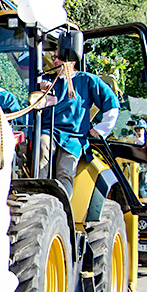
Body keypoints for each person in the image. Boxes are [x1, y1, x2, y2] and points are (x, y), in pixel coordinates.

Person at [40, 47, 119, 197]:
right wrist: (41, 90)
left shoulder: (88, 80)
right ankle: (40, 195)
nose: (54, 60)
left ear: (71, 61)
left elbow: (111, 103)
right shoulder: (47, 81)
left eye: (59, 57)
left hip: (74, 136)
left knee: (65, 170)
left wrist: (102, 128)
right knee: (42, 145)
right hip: (49, 131)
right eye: (54, 57)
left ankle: (62, 209)